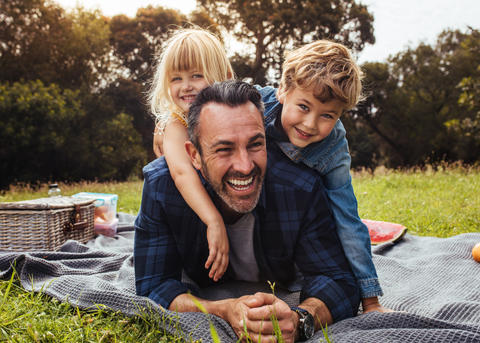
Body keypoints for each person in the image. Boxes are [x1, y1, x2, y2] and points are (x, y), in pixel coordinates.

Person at [153, 38, 388, 313]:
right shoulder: (256, 103)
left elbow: (348, 221)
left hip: (292, 217)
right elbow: (218, 101)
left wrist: (370, 300)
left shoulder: (333, 150)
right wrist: (168, 123)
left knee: (340, 221)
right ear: (282, 90)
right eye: (303, 107)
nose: (310, 124)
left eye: (327, 116)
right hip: (242, 203)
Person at [134, 80, 360, 342]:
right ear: (194, 155)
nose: (244, 166)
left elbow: (340, 282)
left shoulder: (300, 187)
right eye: (224, 149)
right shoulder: (162, 187)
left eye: (255, 145)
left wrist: (300, 319)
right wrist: (222, 310)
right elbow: (154, 286)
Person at [148, 27, 234, 282]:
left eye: (197, 75)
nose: (185, 86)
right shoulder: (176, 122)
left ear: (224, 77)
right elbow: (181, 172)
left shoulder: (233, 110)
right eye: (176, 79)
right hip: (192, 217)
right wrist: (213, 221)